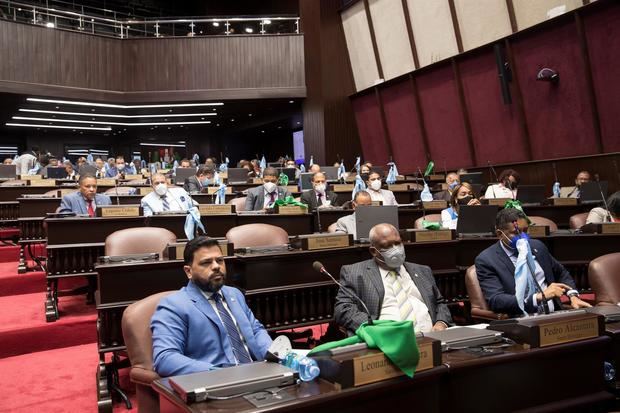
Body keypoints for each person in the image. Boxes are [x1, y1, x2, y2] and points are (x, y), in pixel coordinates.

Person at [151, 236, 272, 377]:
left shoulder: (235, 294)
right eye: (206, 263)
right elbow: (165, 358)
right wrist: (216, 373)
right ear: (188, 271)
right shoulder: (173, 306)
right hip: (216, 383)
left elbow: (256, 331)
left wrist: (275, 353)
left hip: (259, 374)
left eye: (220, 260)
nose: (216, 266)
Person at [334, 223, 453, 335]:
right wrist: (374, 327)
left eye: (397, 243)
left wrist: (441, 323)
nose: (396, 249)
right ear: (373, 251)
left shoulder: (422, 270)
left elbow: (439, 303)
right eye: (387, 246)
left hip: (431, 337)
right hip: (385, 340)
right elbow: (343, 309)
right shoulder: (355, 273)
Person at [475, 208, 591, 316]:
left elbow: (561, 273)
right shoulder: (487, 260)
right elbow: (496, 300)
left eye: (525, 230)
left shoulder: (537, 247)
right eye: (516, 232)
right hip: (519, 319)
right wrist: (539, 297)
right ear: (500, 234)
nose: (523, 236)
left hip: (553, 314)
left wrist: (573, 296)